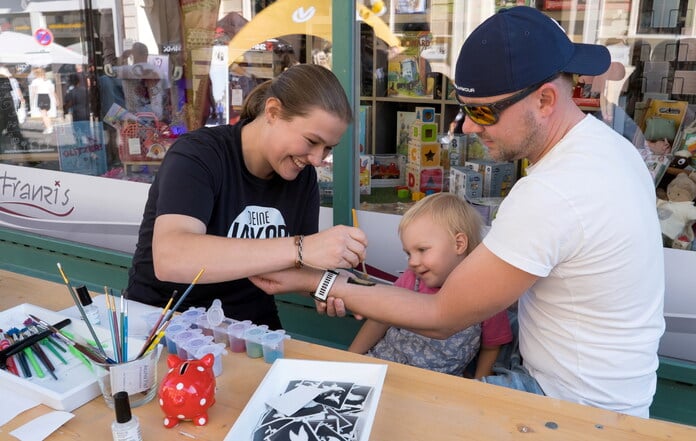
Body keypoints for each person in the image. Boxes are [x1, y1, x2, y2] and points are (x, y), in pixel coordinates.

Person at [252, 6, 665, 418]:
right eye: (464, 108)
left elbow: (440, 315)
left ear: (545, 100)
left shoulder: (554, 191)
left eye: (483, 112)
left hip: (573, 408)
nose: (467, 126)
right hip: (593, 391)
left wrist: (316, 281)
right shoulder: (609, 149)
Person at [126, 63, 368, 328]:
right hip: (166, 322)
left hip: (250, 328)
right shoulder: (198, 154)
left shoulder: (302, 174)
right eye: (311, 141)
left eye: (328, 148)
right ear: (273, 112)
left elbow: (295, 265)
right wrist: (303, 247)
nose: (317, 159)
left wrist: (328, 284)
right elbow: (172, 257)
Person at [348, 193, 512, 377]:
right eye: (409, 253)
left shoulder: (486, 295)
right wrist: (349, 361)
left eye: (422, 250)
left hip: (435, 389)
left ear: (459, 244)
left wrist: (478, 388)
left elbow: (491, 347)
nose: (412, 262)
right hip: (381, 368)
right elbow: (378, 321)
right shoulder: (411, 280)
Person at [63, 73, 91, 146]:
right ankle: (91, 149)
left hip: (77, 115)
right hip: (86, 114)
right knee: (87, 133)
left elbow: (68, 104)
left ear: (71, 82)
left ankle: (80, 148)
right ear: (79, 81)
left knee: (78, 134)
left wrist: (65, 111)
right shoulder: (85, 90)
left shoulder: (71, 92)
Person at [29, 67, 57, 135]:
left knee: (44, 115)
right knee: (46, 114)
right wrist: (56, 99)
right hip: (47, 97)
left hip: (41, 97)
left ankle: (49, 128)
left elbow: (33, 92)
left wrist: (32, 101)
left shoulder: (35, 81)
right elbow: (52, 91)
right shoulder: (48, 81)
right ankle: (49, 127)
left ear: (36, 74)